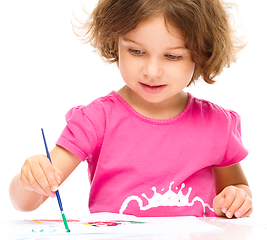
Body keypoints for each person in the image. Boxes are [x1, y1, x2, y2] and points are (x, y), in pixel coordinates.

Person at [10, 0, 253, 218]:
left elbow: (237, 190)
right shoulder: (96, 120)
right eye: (136, 51)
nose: (152, 71)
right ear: (114, 42)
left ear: (201, 55)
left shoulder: (216, 125)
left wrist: (235, 199)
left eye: (172, 56)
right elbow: (26, 202)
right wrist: (29, 181)